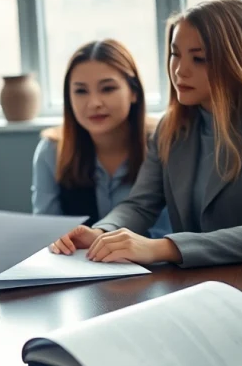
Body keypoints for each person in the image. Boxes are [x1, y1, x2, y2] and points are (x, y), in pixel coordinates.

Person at [50, 0, 242, 268]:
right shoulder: (171, 128)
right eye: (176, 55)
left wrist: (159, 248)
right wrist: (101, 233)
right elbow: (139, 205)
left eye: (198, 59)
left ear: (238, 61)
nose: (179, 71)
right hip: (201, 287)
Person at [31, 39, 170, 239]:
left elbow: (173, 230)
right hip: (80, 266)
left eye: (107, 89)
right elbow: (45, 232)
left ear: (134, 92)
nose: (94, 103)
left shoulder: (163, 142)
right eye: (81, 91)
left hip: (159, 266)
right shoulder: (52, 150)